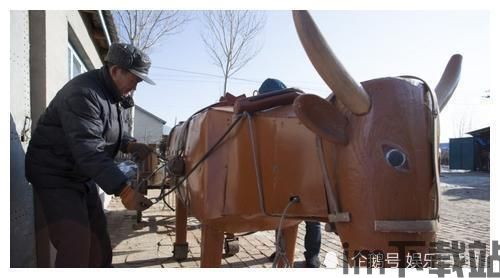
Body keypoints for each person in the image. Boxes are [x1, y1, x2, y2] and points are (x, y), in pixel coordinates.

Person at [25, 43, 156, 267]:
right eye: (135, 80)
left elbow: (108, 132)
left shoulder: (111, 95)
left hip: (79, 174)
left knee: (99, 243)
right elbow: (89, 149)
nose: (135, 87)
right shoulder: (83, 94)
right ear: (115, 71)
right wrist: (124, 190)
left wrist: (130, 145)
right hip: (54, 175)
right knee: (75, 242)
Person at [257, 78, 322, 268]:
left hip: (308, 174)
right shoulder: (267, 117)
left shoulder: (302, 115)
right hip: (284, 174)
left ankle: (312, 255)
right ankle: (282, 249)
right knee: (282, 214)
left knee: (311, 217)